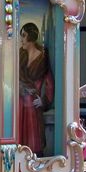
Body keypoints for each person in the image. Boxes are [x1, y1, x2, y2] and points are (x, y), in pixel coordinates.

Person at [19, 22, 53, 155]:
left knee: (33, 136)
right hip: (19, 99)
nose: (21, 39)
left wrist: (43, 101)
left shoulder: (43, 57)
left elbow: (49, 80)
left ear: (31, 38)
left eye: (23, 36)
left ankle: (34, 158)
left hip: (33, 102)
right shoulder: (20, 54)